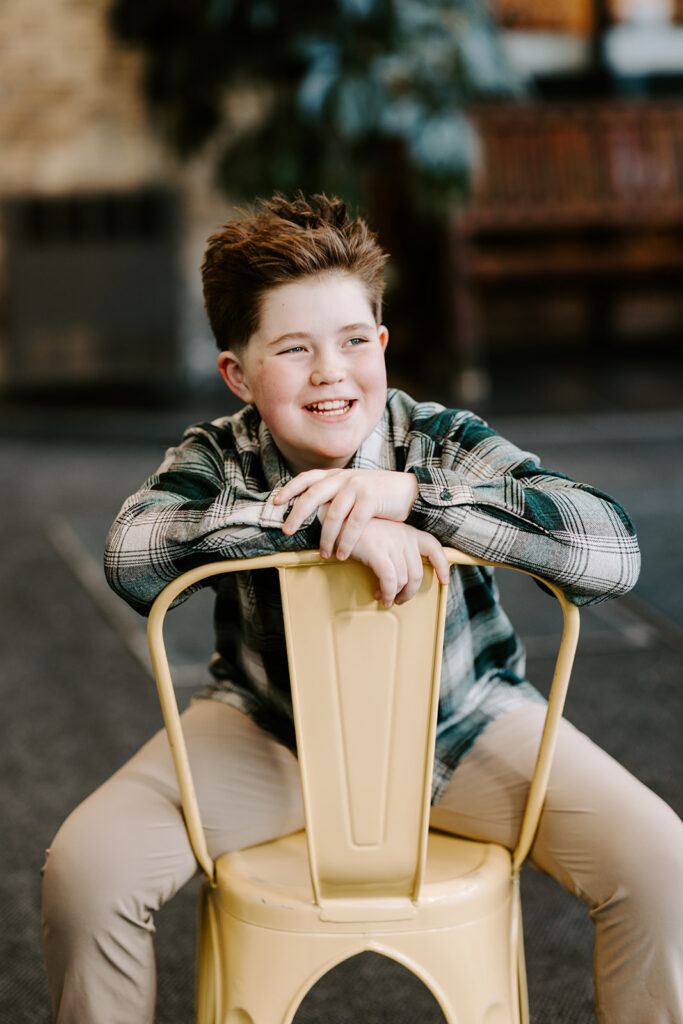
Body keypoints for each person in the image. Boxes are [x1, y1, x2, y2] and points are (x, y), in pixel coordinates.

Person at [42, 194, 682, 1024]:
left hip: (466, 727)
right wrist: (326, 520)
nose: (330, 373)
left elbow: (612, 551)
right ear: (237, 373)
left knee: (662, 864)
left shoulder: (438, 439)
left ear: (381, 344)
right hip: (273, 734)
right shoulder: (216, 454)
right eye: (293, 350)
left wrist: (411, 498)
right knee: (86, 873)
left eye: (352, 342)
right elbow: (132, 556)